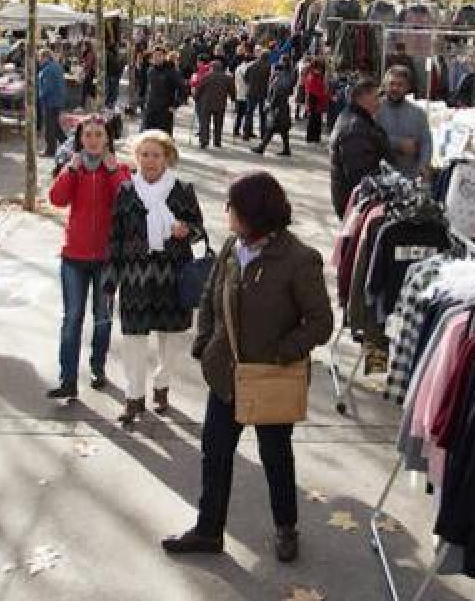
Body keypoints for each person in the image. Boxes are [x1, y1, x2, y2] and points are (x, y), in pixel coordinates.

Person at [161, 171, 333, 562]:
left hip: (271, 379)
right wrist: (205, 344)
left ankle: (286, 528)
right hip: (226, 373)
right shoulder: (231, 247)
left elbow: (320, 323)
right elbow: (209, 296)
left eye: (233, 207)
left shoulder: (299, 259)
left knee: (275, 454)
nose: (227, 213)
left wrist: (281, 353)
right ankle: (208, 531)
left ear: (254, 214)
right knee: (215, 453)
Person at [104, 130, 203, 426]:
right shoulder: (125, 191)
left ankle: (162, 385)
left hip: (172, 279)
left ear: (167, 158)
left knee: (170, 342)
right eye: (144, 155)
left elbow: (200, 232)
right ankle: (134, 398)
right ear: (136, 158)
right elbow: (115, 239)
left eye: (156, 155)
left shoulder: (182, 190)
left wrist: (187, 230)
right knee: (133, 341)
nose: (149, 161)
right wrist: (111, 281)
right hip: (135, 279)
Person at [46, 118, 132, 400]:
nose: (93, 140)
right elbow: (57, 199)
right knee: (72, 318)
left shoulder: (118, 169)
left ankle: (98, 367)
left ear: (107, 139)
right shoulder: (74, 167)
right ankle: (68, 379)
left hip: (107, 260)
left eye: (99, 135)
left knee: (103, 318)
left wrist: (112, 173)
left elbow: (128, 204)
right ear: (80, 139)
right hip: (74, 257)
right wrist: (69, 171)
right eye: (88, 135)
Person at [329, 78, 393, 218]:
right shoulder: (355, 127)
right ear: (361, 98)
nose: (380, 102)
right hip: (355, 204)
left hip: (356, 201)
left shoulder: (358, 120)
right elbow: (359, 175)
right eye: (376, 97)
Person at [375, 65, 432, 179]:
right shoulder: (375, 110)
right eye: (392, 84)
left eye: (400, 84)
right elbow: (370, 139)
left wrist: (423, 164)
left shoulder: (419, 114)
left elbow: (426, 142)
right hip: (380, 177)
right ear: (385, 85)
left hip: (409, 178)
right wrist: (397, 144)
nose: (395, 88)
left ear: (408, 87)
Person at [253, 57, 294, 156]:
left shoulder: (279, 76)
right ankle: (286, 149)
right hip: (284, 105)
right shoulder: (289, 75)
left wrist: (270, 104)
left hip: (277, 107)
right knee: (283, 129)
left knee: (271, 127)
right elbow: (290, 91)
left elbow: (276, 92)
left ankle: (261, 147)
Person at [194, 57, 233, 149]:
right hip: (220, 104)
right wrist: (233, 98)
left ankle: (204, 141)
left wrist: (196, 98)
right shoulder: (227, 78)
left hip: (206, 103)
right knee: (218, 123)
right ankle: (217, 141)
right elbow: (232, 90)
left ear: (212, 67)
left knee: (205, 122)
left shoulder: (206, 76)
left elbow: (199, 89)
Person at [143, 46, 182, 135]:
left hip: (164, 113)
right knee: (149, 138)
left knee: (163, 141)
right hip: (150, 111)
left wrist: (175, 105)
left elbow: (182, 88)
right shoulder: (151, 70)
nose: (156, 58)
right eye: (155, 55)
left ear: (164, 56)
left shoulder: (171, 71)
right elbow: (147, 88)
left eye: (159, 55)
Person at [38, 48, 67, 157]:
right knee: (54, 125)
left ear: (45, 57)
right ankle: (66, 142)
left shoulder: (47, 69)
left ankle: (50, 150)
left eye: (40, 57)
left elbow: (47, 88)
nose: (39, 60)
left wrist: (40, 98)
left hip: (50, 101)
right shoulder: (56, 66)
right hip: (57, 100)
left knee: (49, 127)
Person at [242, 47, 271, 140]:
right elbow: (269, 80)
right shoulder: (268, 66)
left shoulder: (251, 65)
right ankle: (263, 134)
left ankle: (246, 134)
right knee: (263, 114)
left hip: (251, 91)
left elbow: (245, 79)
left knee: (249, 113)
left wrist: (251, 84)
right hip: (262, 93)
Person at [302, 58, 329, 144]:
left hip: (316, 100)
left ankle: (316, 137)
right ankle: (311, 137)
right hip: (313, 100)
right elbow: (314, 90)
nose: (321, 70)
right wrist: (325, 95)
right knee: (313, 119)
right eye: (320, 68)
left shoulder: (317, 76)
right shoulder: (312, 76)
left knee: (317, 119)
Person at [232, 46, 252, 137]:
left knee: (239, 114)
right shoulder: (247, 69)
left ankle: (236, 130)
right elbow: (248, 81)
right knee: (245, 114)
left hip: (239, 92)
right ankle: (245, 131)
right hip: (245, 93)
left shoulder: (238, 67)